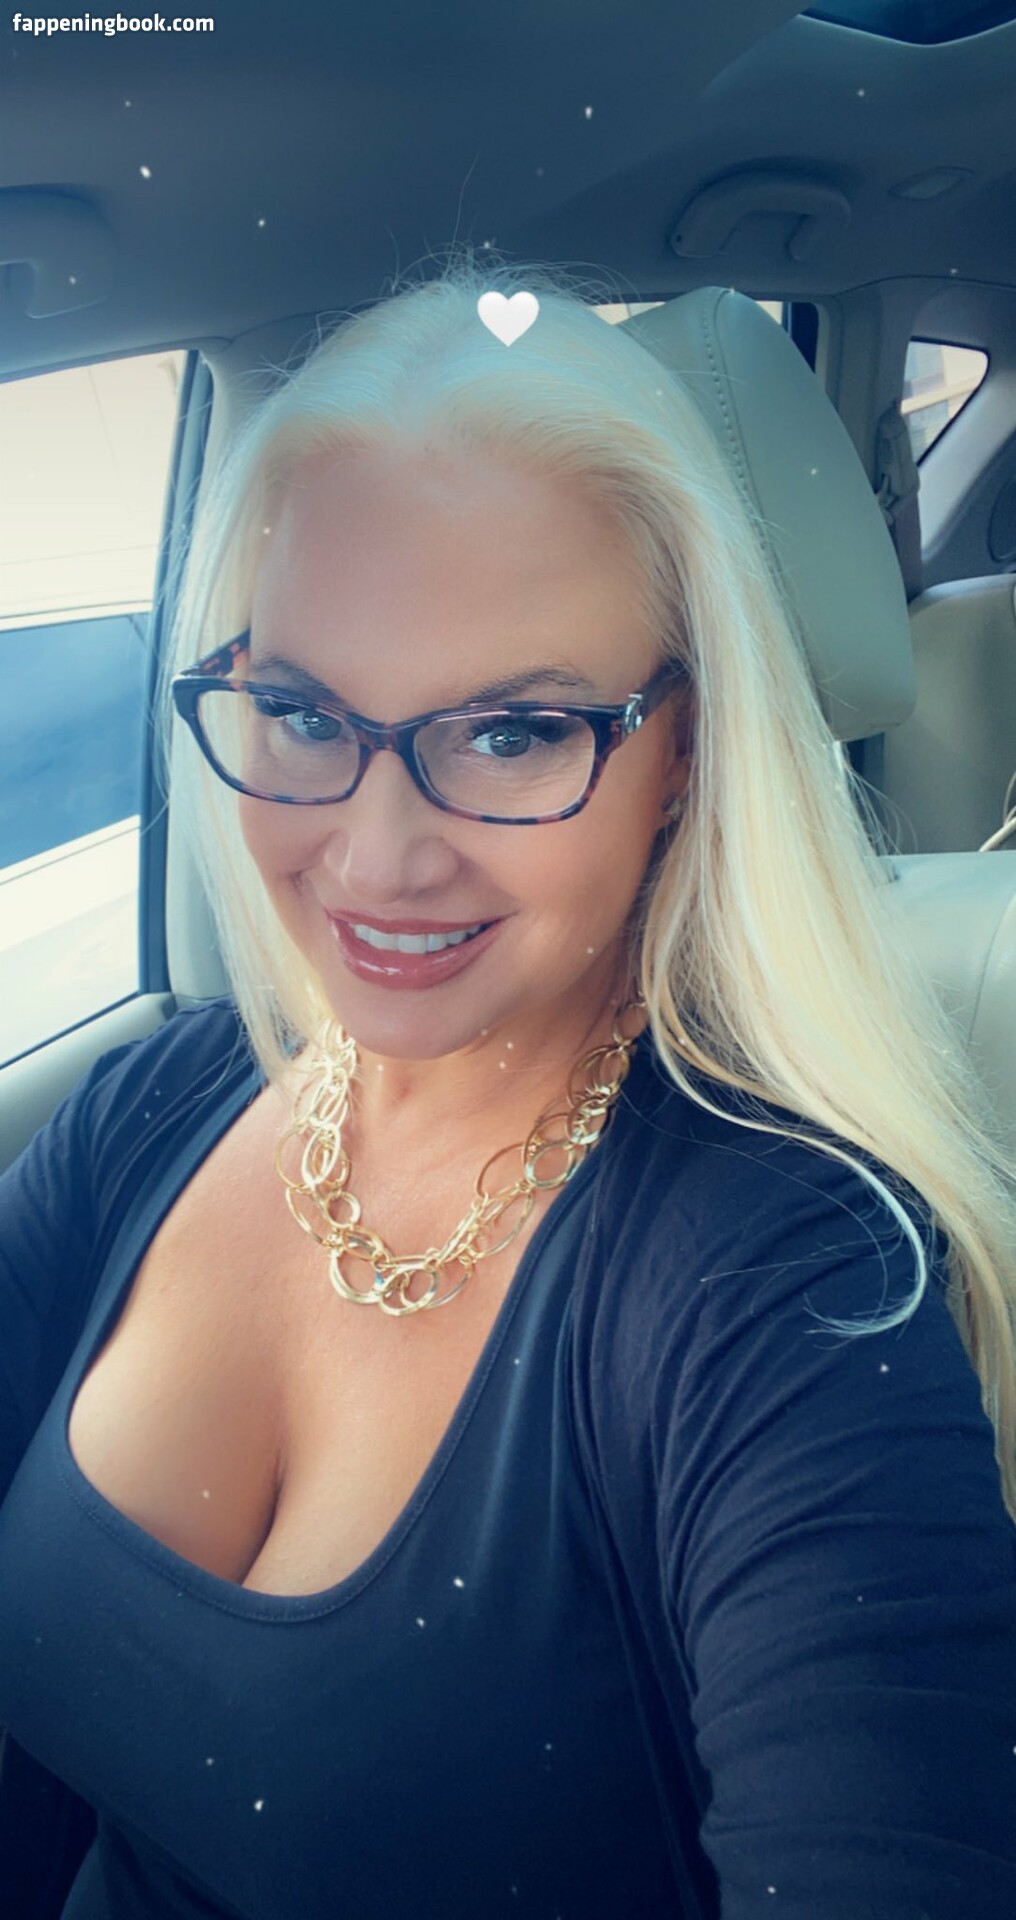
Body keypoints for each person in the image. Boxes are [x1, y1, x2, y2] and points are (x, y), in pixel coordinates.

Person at [1, 252, 1015, 1920]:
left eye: (512, 733)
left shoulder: (791, 1285)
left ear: (684, 750)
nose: (377, 856)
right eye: (302, 711)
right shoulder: (147, 1115)